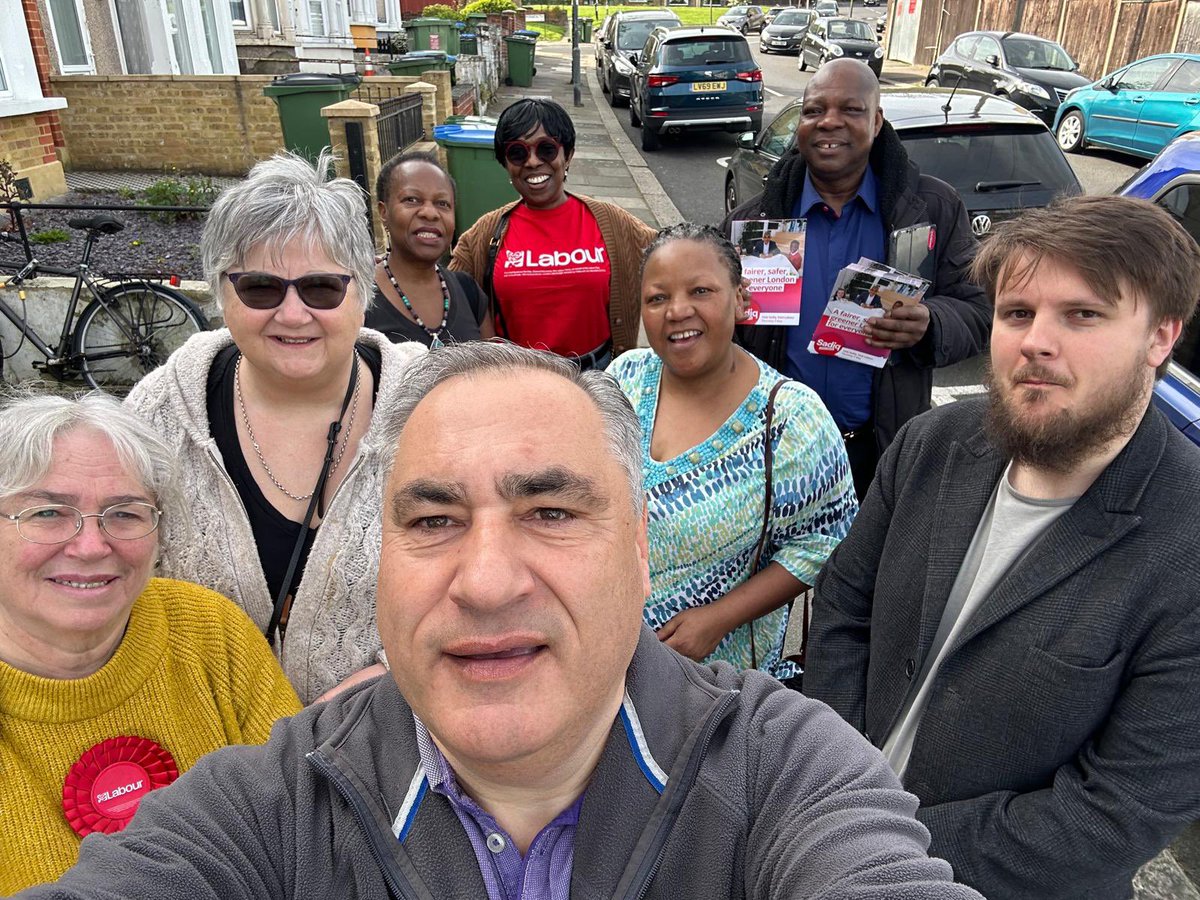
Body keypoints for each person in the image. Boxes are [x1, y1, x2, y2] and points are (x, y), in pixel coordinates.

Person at [25, 343, 983, 900]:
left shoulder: (783, 770)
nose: (484, 581)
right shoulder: (276, 804)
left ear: (640, 547)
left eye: (551, 512)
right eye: (433, 520)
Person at [803, 195, 1200, 898]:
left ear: (1161, 336)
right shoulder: (931, 446)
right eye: (1018, 313)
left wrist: (874, 843)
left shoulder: (1185, 542)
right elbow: (843, 608)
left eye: (1082, 315)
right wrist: (834, 777)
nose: (1034, 342)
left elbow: (1116, 814)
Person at [126, 150, 426, 705]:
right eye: (261, 288)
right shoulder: (158, 415)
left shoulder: (431, 410)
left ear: (363, 290)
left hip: (387, 742)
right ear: (221, 292)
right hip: (212, 749)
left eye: (321, 288)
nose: (292, 314)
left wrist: (371, 690)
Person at [0, 392, 299, 893]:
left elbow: (303, 828)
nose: (93, 546)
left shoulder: (208, 632)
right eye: (48, 513)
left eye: (125, 513)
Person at [725, 59, 990, 499]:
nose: (830, 121)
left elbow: (979, 311)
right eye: (814, 111)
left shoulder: (930, 208)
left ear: (877, 120)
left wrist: (932, 323)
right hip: (776, 453)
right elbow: (722, 335)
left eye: (850, 109)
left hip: (881, 454)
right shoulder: (754, 222)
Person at [609, 224, 856, 681]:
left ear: (741, 299)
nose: (677, 311)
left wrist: (720, 618)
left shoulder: (789, 418)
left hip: (723, 681)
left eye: (700, 290)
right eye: (657, 298)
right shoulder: (623, 379)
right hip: (613, 658)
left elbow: (826, 540)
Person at [450, 98, 657, 369]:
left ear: (567, 155)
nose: (533, 162)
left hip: (598, 376)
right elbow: (444, 294)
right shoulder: (485, 233)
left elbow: (674, 254)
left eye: (546, 149)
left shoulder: (612, 222)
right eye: (518, 153)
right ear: (506, 164)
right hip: (519, 379)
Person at [368, 150, 491, 348]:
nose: (430, 213)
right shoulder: (357, 298)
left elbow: (492, 374)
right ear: (384, 212)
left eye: (442, 204)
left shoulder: (468, 292)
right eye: (412, 200)